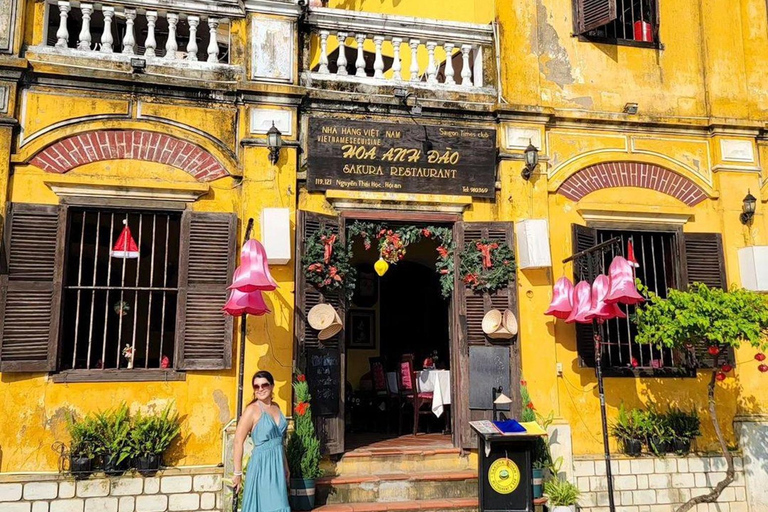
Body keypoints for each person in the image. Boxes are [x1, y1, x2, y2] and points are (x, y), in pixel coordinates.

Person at [233, 371, 290, 512]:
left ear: (272, 386)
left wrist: (286, 466)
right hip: (262, 466)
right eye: (256, 386)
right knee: (267, 506)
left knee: (280, 505)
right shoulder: (252, 410)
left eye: (264, 385)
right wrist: (237, 473)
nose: (260, 389)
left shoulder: (276, 407)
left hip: (278, 466)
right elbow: (238, 441)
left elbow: (279, 442)